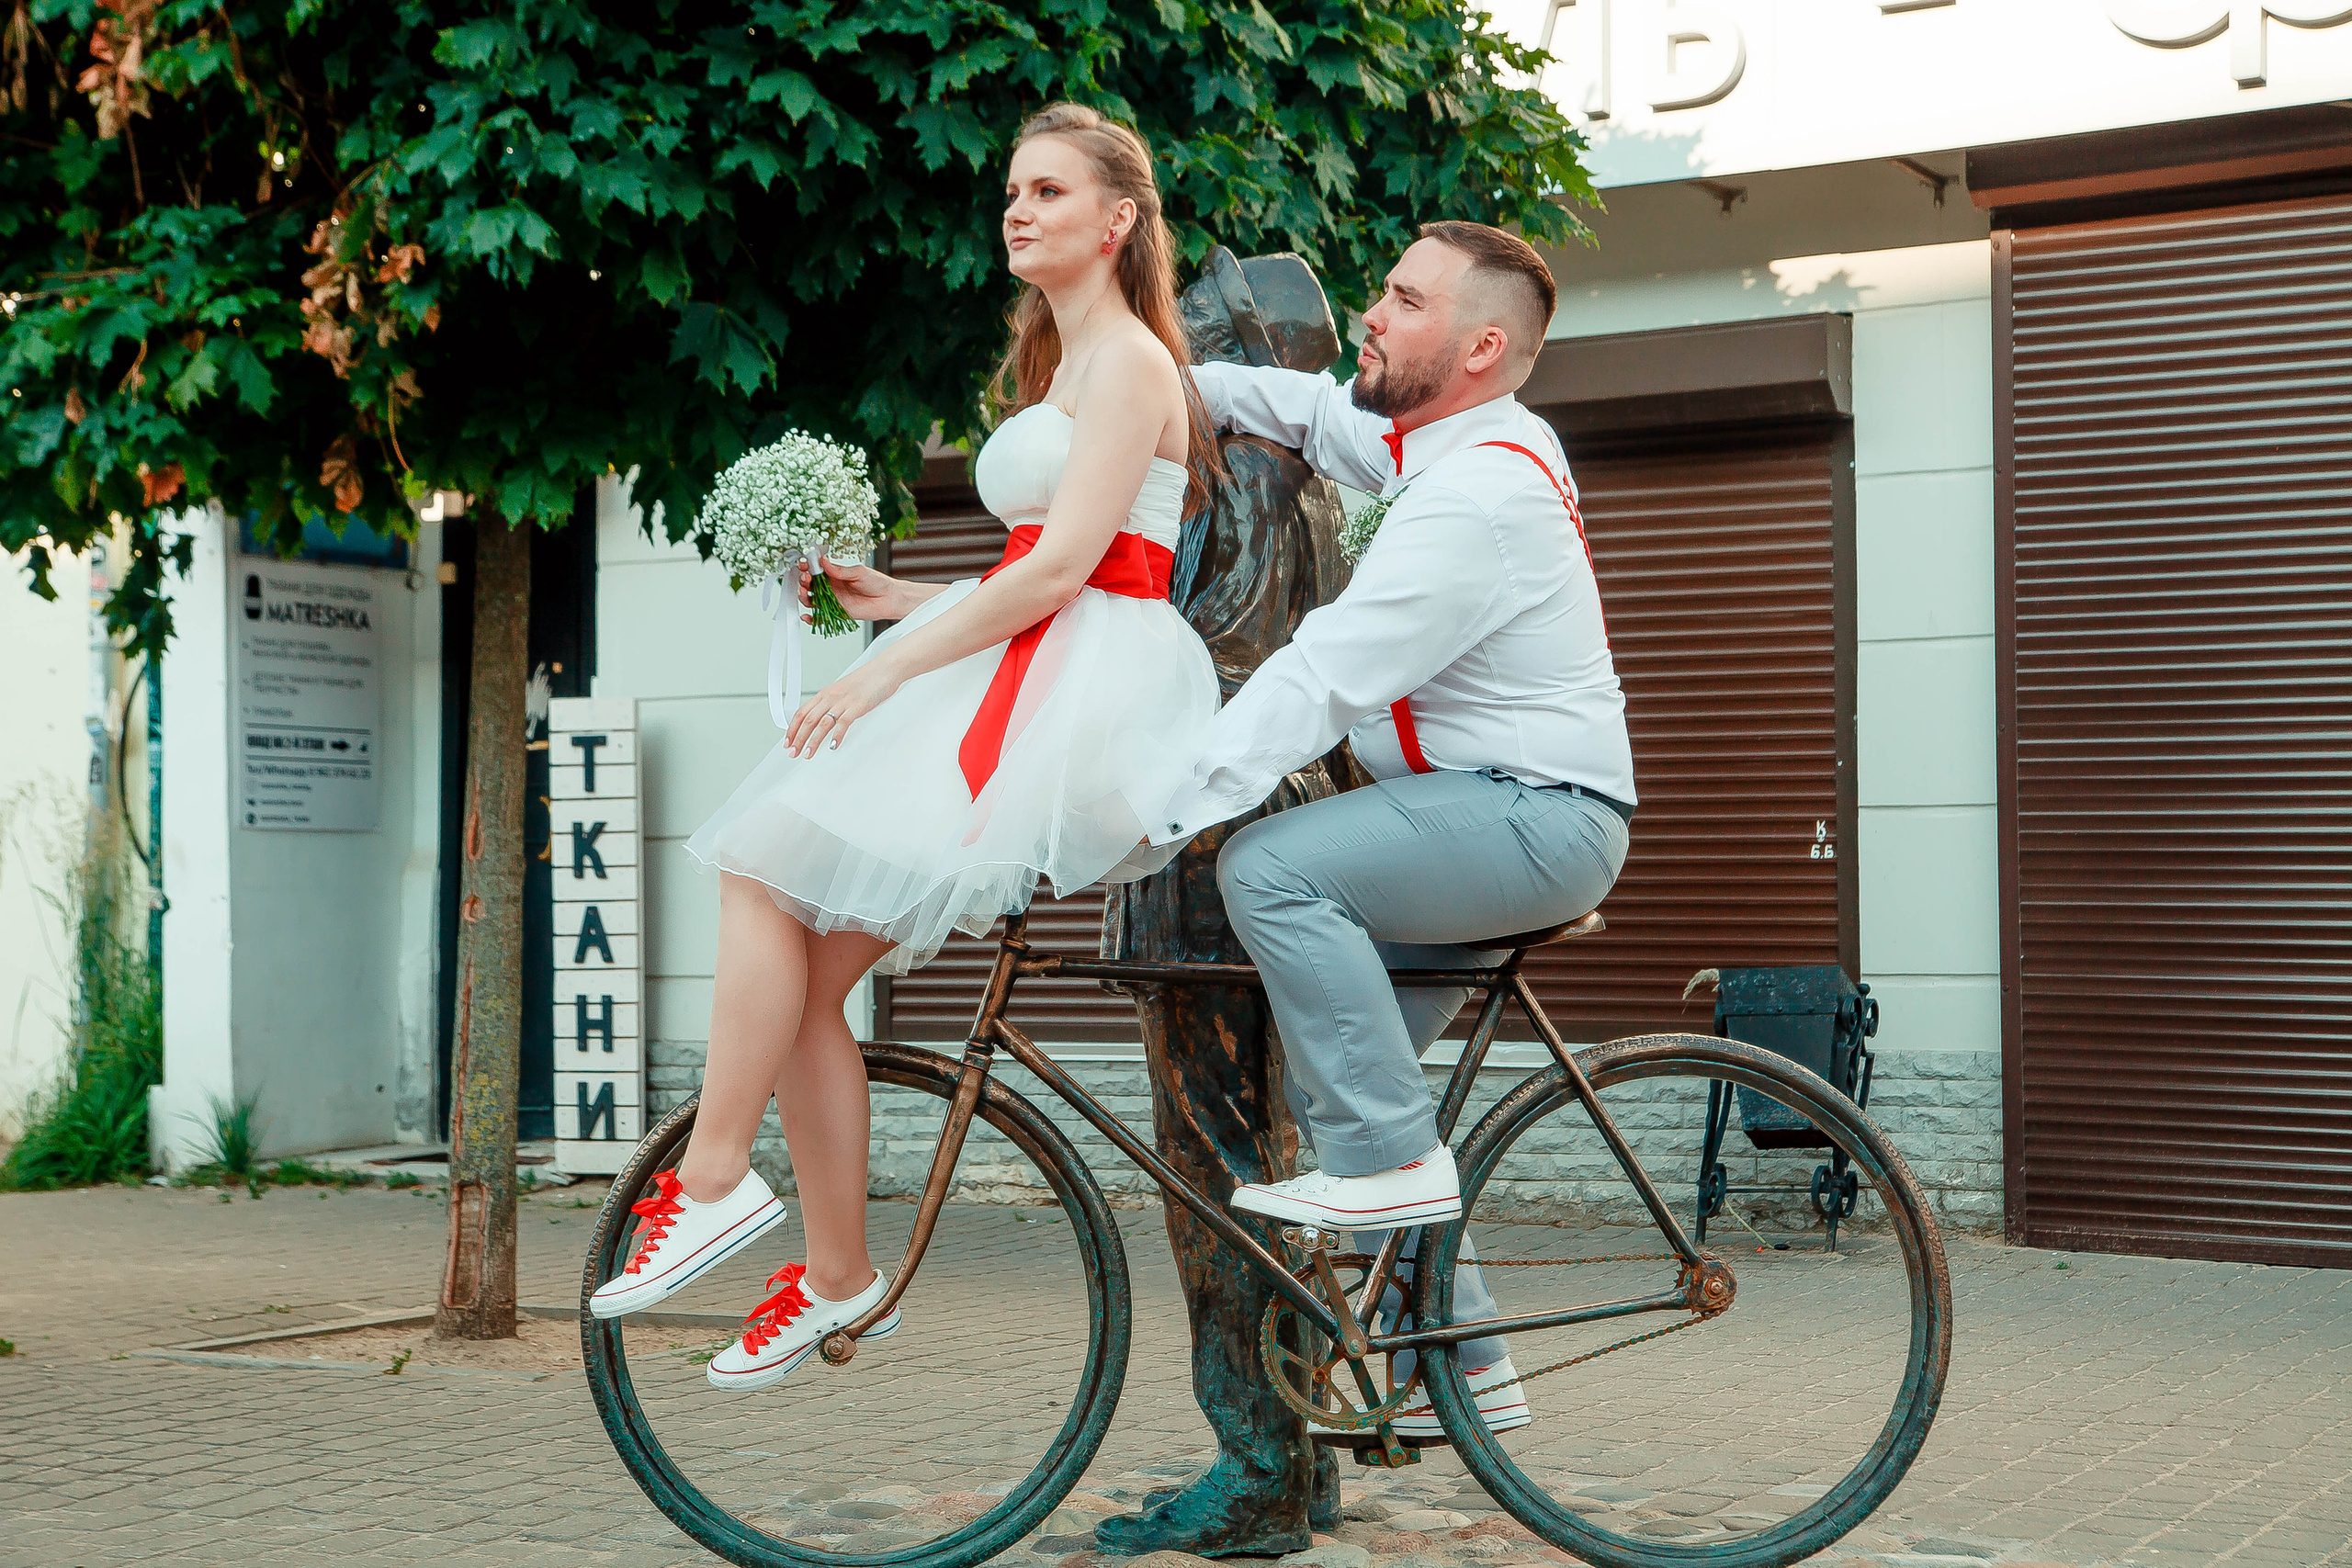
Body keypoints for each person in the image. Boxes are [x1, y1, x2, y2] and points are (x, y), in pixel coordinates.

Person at [586, 103, 1221, 1395]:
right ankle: (831, 1275)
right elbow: (1052, 570)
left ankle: (713, 1185)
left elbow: (1063, 577)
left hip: (1079, 689)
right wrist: (901, 599)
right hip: (1036, 659)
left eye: (1047, 190)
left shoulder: (1136, 367)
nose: (1019, 210)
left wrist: (879, 677)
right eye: (1010, 193)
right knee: (805, 973)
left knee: (759, 864)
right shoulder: (1062, 367)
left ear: (1119, 218)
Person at [1146, 220, 1637, 1438]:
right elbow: (1314, 415)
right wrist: (1165, 382)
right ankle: (1463, 1370)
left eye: (1404, 299)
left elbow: (1322, 678)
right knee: (1340, 1078)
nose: (1371, 310)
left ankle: (1388, 1176)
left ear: (1478, 346)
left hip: (1530, 823)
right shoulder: (1456, 440)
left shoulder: (1473, 500)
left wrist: (1153, 813)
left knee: (1271, 867)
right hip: (1488, 818)